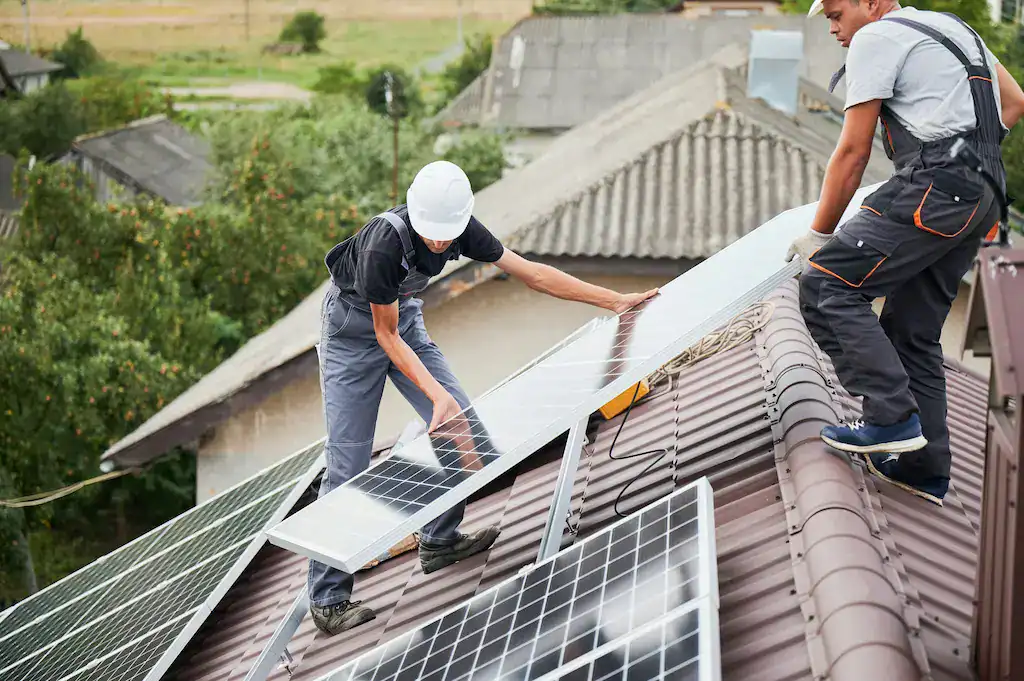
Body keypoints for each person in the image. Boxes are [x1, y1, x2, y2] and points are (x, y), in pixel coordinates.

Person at [309, 160, 660, 635]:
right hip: (353, 338)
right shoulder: (382, 246)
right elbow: (384, 336)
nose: (439, 244)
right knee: (348, 463)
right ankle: (328, 600)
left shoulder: (463, 229)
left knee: (463, 427)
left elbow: (533, 274)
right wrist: (436, 396)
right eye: (432, 235)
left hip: (402, 322)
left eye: (446, 236)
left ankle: (439, 539)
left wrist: (614, 300)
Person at [787, 0, 1024, 507]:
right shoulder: (952, 27)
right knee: (912, 330)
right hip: (983, 193)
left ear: (871, 3)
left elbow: (853, 152)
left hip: (936, 186)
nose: (833, 28)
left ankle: (890, 417)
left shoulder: (877, 37)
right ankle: (924, 469)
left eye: (836, 14)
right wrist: (966, 156)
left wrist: (819, 235)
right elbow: (1014, 102)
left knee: (826, 285)